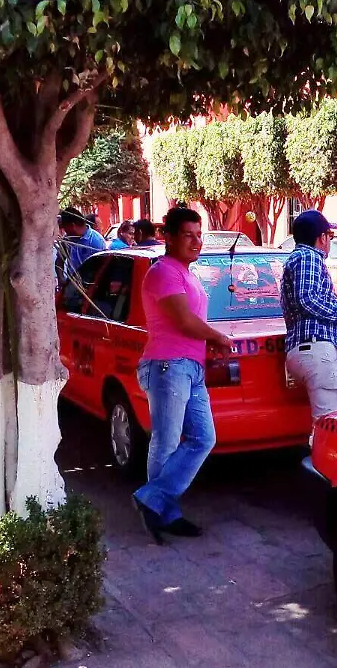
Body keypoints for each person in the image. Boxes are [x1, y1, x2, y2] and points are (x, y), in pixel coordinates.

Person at [131, 207, 233, 545]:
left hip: (191, 367)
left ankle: (152, 499)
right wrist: (217, 337)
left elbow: (193, 325)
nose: (196, 241)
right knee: (167, 440)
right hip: (167, 365)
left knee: (203, 438)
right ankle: (164, 513)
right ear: (168, 237)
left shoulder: (188, 273)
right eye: (188, 235)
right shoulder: (163, 272)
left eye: (198, 235)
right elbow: (183, 321)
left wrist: (209, 343)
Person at [282, 210, 337, 421]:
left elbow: (311, 299)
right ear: (322, 237)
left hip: (314, 351)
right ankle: (318, 455)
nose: (330, 240)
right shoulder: (309, 256)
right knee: (328, 424)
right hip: (317, 350)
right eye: (330, 236)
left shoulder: (300, 258)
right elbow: (308, 299)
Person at [59, 207, 107, 279]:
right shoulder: (68, 239)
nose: (66, 233)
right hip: (72, 285)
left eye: (66, 229)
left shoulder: (96, 241)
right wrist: (61, 279)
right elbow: (59, 261)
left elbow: (100, 272)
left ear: (73, 226)